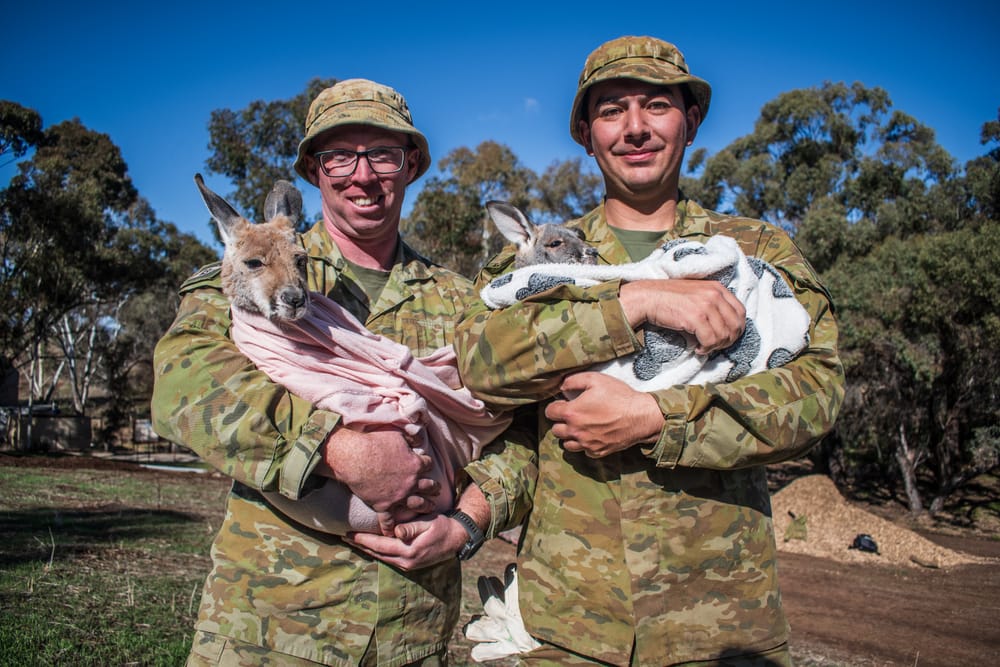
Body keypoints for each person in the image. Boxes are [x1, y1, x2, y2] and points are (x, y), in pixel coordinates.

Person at [355, 36, 846, 665]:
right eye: (612, 110)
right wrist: (632, 306)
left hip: (719, 624)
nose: (635, 128)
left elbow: (814, 396)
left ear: (690, 122)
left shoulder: (754, 252)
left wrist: (655, 418)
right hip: (564, 627)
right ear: (587, 133)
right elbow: (478, 364)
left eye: (656, 107)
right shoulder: (539, 260)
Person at [151, 78, 531, 666]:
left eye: (382, 153)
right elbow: (184, 380)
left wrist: (467, 522)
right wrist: (336, 446)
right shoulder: (253, 268)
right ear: (313, 170)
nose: (362, 173)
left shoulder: (462, 302)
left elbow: (520, 433)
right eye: (339, 155)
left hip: (410, 633)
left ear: (411, 165)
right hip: (271, 626)